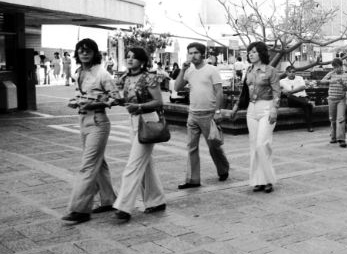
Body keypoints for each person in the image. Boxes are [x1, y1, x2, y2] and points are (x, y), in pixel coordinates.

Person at [61, 39, 120, 224]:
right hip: (83, 120)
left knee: (87, 166)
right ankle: (109, 199)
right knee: (98, 162)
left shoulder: (102, 74)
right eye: (80, 51)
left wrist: (96, 103)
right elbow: (83, 95)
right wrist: (76, 100)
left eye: (87, 51)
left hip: (98, 121)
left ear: (95, 53)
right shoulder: (80, 72)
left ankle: (80, 209)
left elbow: (117, 98)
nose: (84, 54)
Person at [112, 47, 167, 221]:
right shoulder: (125, 78)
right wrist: (116, 101)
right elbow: (128, 100)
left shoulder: (150, 77)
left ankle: (123, 206)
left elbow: (158, 101)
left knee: (133, 165)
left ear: (142, 61)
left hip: (148, 120)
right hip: (133, 121)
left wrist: (140, 107)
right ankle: (156, 200)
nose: (130, 60)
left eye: (134, 57)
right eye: (128, 57)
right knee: (145, 164)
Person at [175, 42, 230, 189]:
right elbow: (177, 87)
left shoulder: (212, 70)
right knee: (191, 147)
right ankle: (193, 179)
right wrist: (182, 70)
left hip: (209, 114)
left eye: (195, 53)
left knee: (214, 146)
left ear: (202, 54)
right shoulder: (189, 70)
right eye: (190, 53)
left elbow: (219, 92)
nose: (193, 56)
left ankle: (223, 169)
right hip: (193, 114)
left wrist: (218, 112)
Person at [232, 41, 281, 193]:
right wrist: (235, 107)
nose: (250, 54)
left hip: (267, 107)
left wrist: (274, 109)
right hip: (251, 109)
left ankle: (269, 179)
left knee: (262, 144)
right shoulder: (249, 70)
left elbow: (276, 92)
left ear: (261, 53)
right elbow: (244, 93)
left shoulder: (271, 71)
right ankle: (258, 181)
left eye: (253, 51)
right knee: (254, 146)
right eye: (249, 52)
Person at [320, 58, 347, 147]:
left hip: (341, 99)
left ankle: (341, 139)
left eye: (338, 67)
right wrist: (331, 81)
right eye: (335, 67)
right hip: (331, 99)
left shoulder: (346, 75)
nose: (336, 69)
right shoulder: (331, 74)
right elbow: (322, 81)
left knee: (341, 118)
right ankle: (333, 136)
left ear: (341, 66)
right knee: (332, 119)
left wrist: (342, 83)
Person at [280, 65, 314, 132]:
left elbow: (303, 87)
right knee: (291, 97)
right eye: (290, 72)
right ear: (286, 73)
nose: (292, 73)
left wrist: (291, 92)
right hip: (292, 101)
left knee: (306, 106)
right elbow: (280, 90)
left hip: (302, 99)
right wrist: (283, 91)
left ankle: (309, 127)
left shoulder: (299, 78)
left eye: (293, 72)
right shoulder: (282, 81)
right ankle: (309, 126)